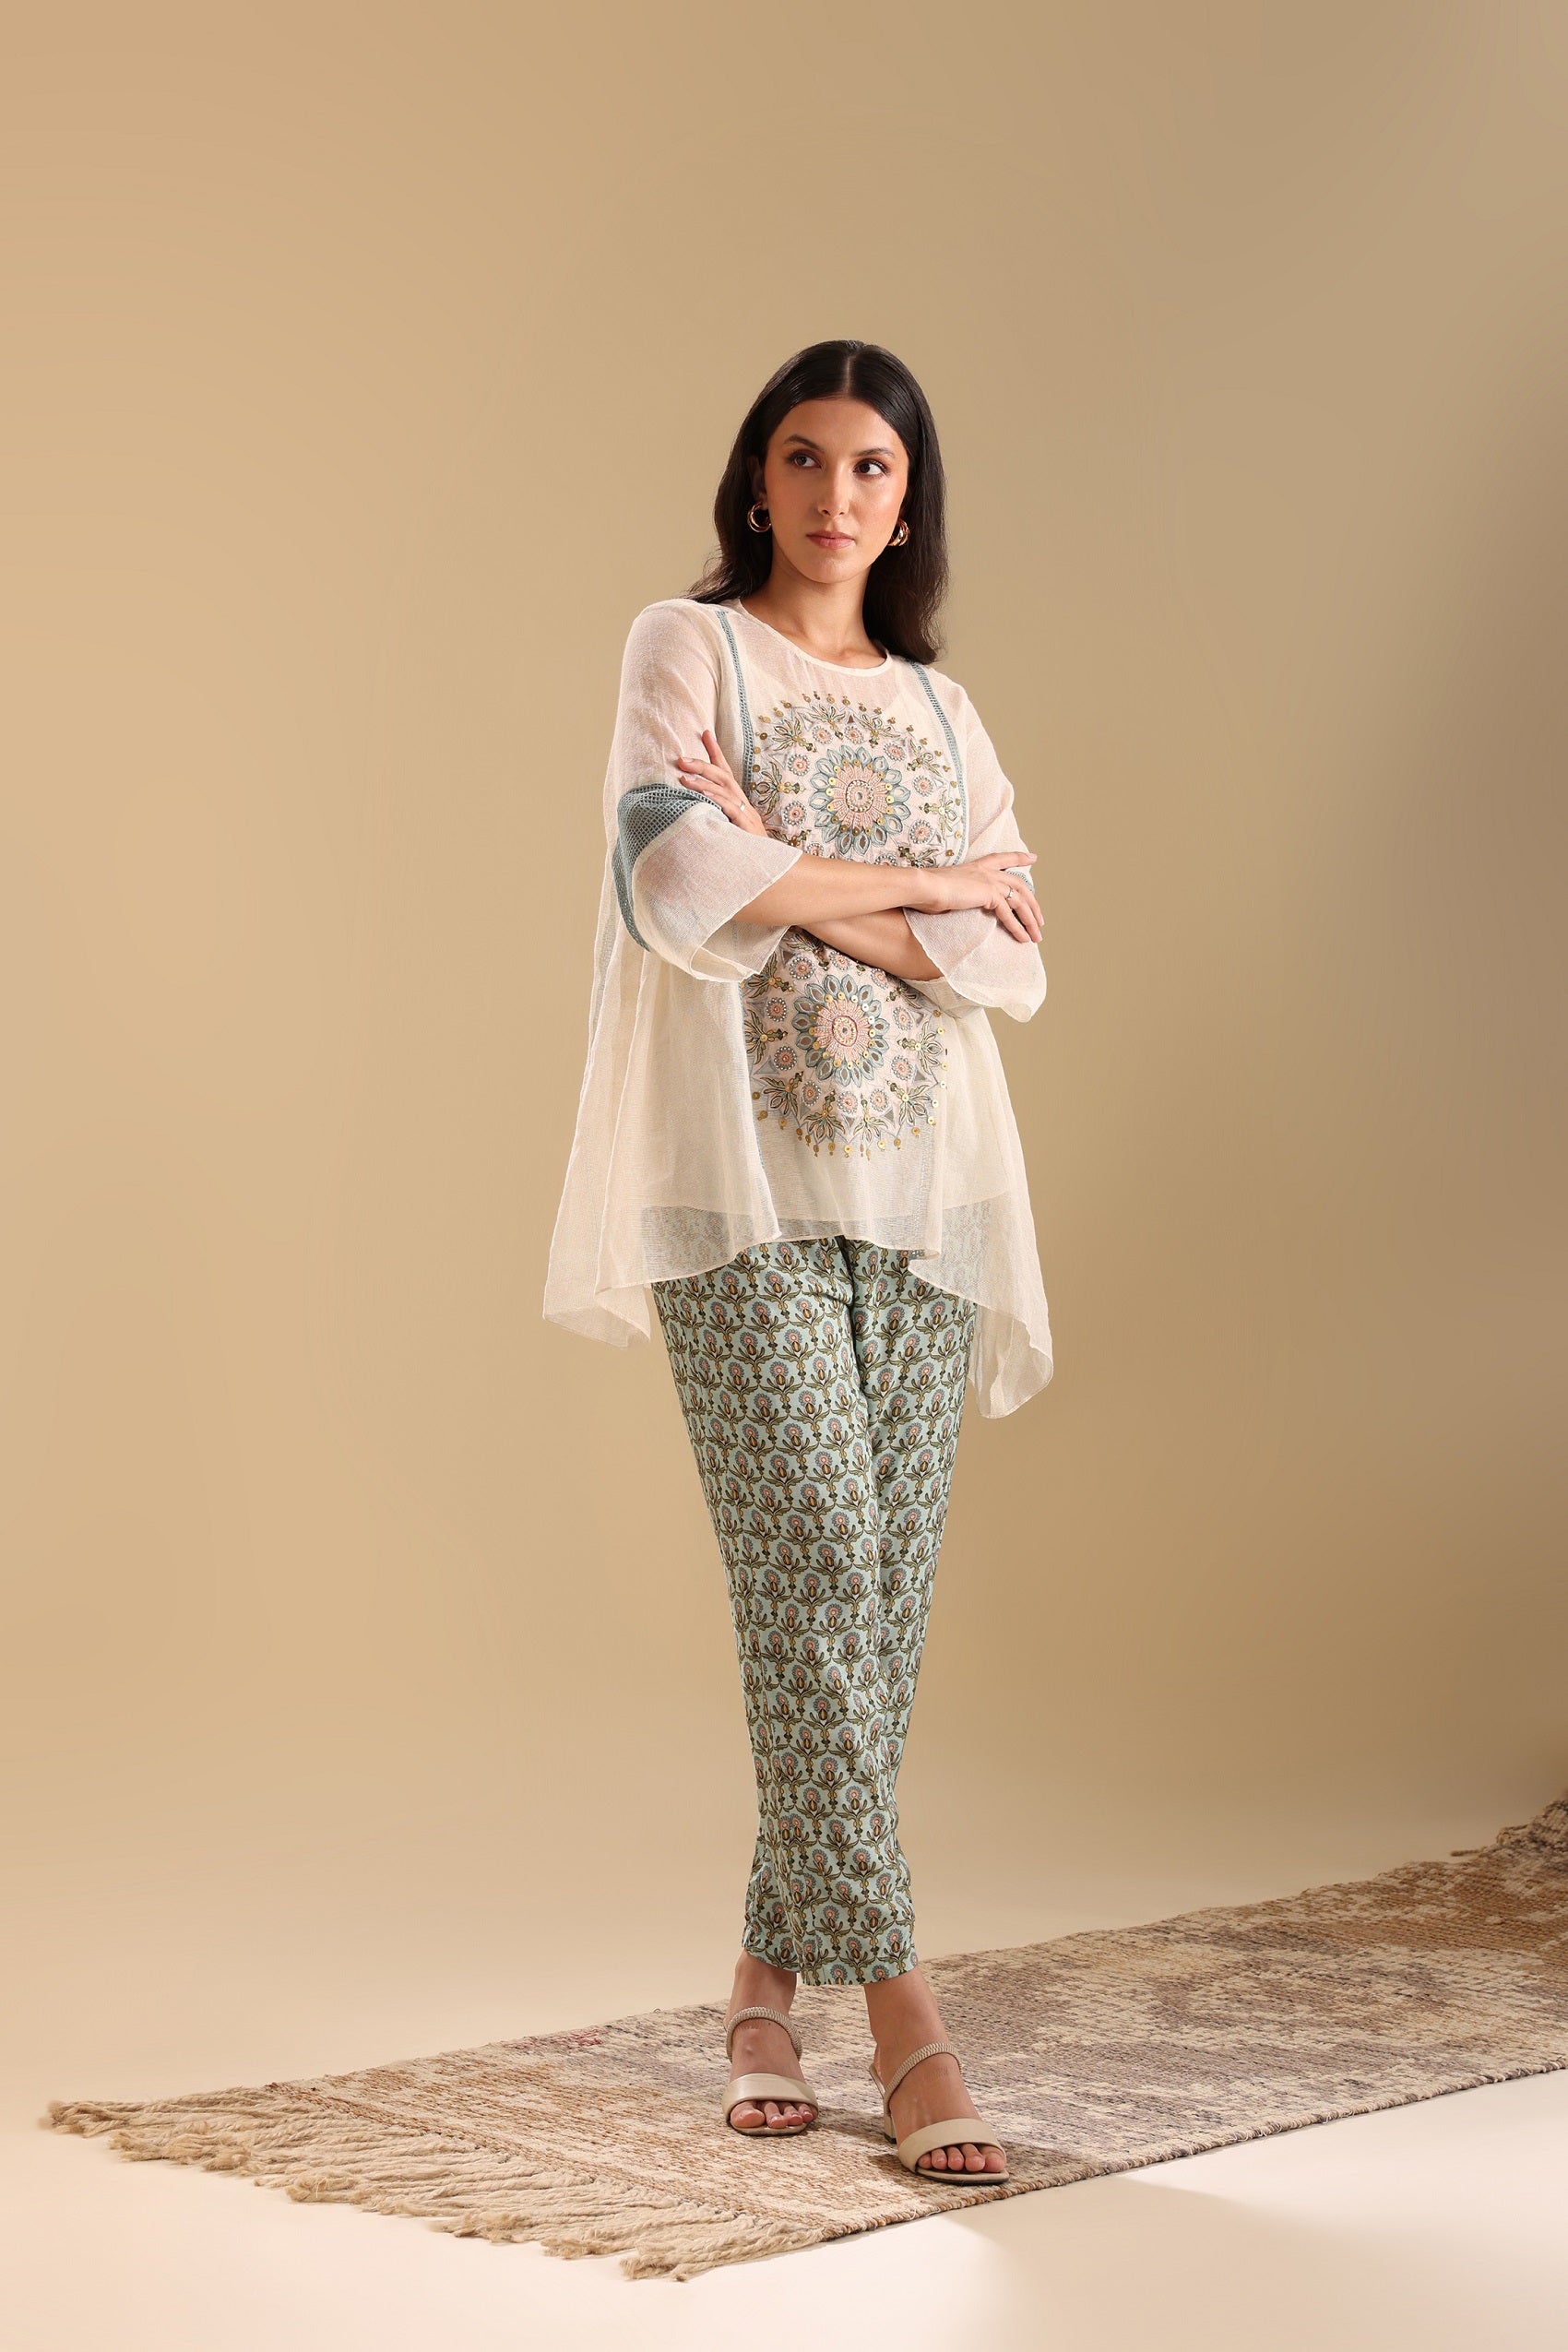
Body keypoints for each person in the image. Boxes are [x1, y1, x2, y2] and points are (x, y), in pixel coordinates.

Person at [544, 339, 1052, 2180]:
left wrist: (810, 874)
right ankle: (904, 2010)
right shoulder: (684, 650)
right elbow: (677, 882)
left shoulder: (941, 709)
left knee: (876, 1596)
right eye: (805, 458)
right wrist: (924, 885)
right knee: (820, 1553)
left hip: (927, 1188)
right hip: (735, 1186)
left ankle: (763, 1986)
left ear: (908, 508)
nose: (837, 495)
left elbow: (1015, 960)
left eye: (874, 470)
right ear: (755, 481)